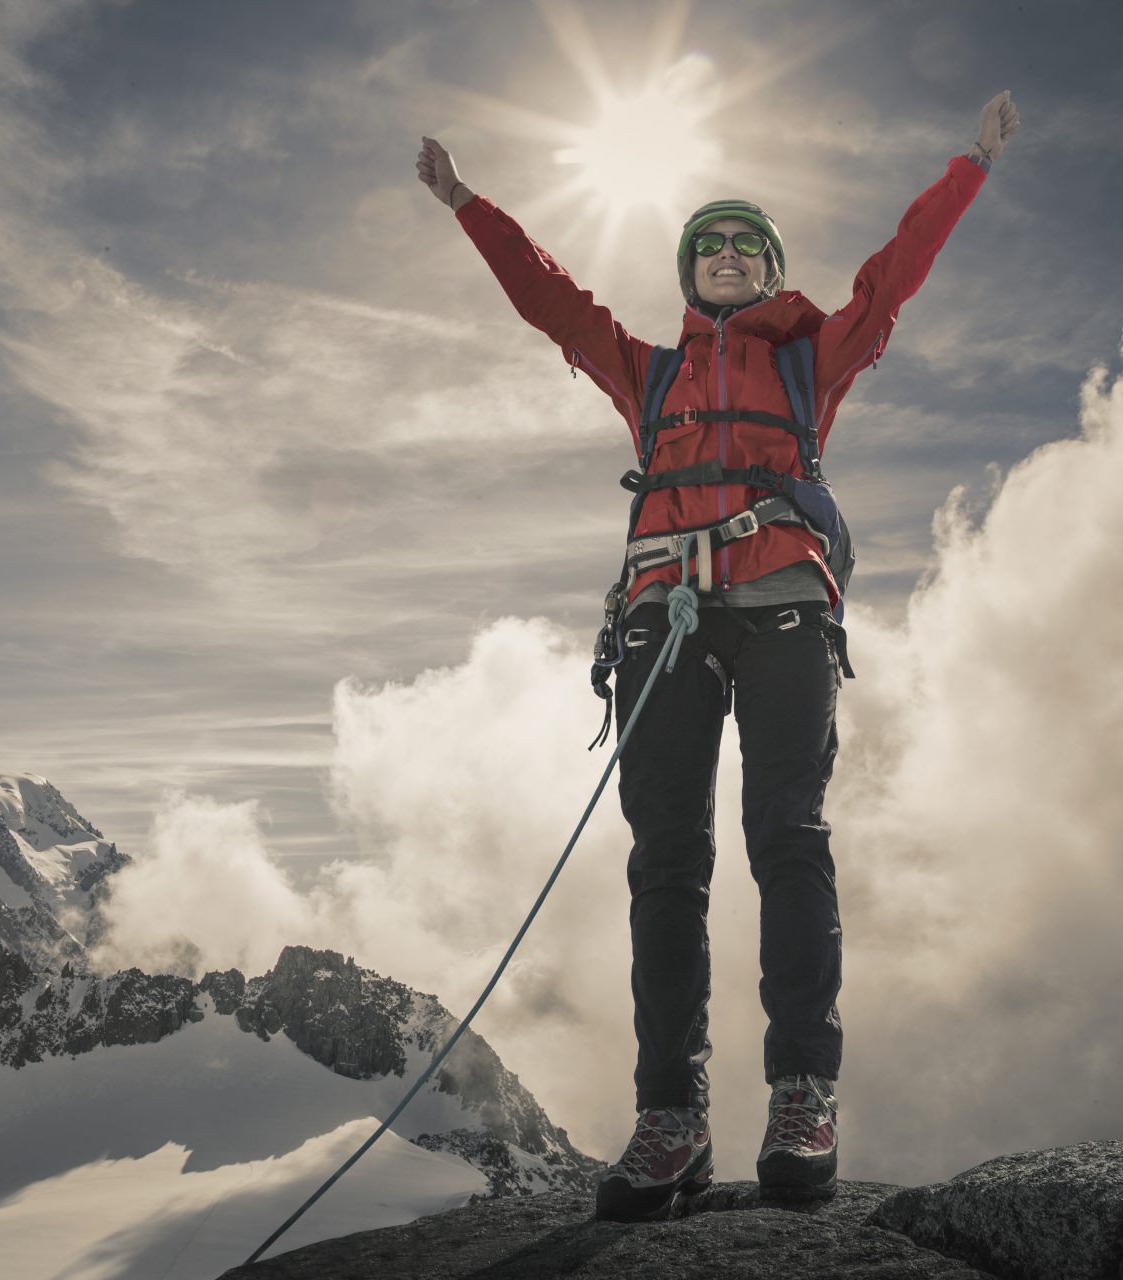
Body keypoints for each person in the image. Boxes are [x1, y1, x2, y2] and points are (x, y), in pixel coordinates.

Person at [415, 90, 1019, 1222]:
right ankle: (673, 1119)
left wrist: (969, 168)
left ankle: (802, 1096)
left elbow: (892, 277)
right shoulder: (647, 373)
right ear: (691, 275)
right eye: (710, 246)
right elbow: (552, 301)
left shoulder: (813, 360)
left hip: (785, 604)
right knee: (666, 863)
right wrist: (468, 204)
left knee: (788, 837)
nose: (730, 256)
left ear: (770, 268)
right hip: (663, 620)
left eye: (748, 245)